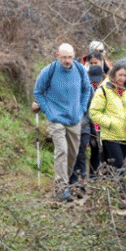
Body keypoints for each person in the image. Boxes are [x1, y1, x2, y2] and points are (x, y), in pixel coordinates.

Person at [32, 43, 93, 202]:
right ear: (57, 55)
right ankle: (61, 188)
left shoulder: (79, 70)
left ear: (74, 55)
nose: (67, 61)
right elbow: (38, 92)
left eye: (69, 57)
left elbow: (87, 89)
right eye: (64, 57)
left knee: (72, 153)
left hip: (74, 118)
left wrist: (81, 109)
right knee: (62, 151)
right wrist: (48, 111)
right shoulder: (49, 71)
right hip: (56, 118)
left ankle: (65, 182)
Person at [88, 62, 126, 209]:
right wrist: (110, 123)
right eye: (120, 75)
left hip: (125, 135)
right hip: (109, 135)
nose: (122, 78)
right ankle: (122, 198)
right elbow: (94, 112)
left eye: (125, 75)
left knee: (115, 166)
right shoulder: (103, 90)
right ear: (113, 74)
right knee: (118, 166)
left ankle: (107, 195)